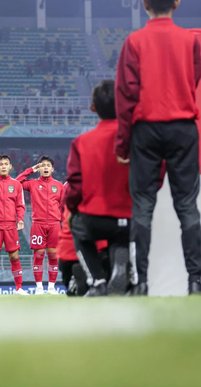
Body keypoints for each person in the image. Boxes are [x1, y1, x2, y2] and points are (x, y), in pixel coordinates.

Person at [115, 0, 201, 296]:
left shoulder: (134, 42)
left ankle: (141, 282)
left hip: (145, 129)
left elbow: (126, 96)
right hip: (183, 128)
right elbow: (194, 78)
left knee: (142, 206)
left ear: (145, 4)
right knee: (188, 207)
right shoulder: (192, 41)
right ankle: (196, 281)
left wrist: (123, 143)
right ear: (177, 3)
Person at [65, 80, 132, 296]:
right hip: (127, 217)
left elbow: (75, 184)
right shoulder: (133, 140)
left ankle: (97, 280)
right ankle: (119, 269)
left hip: (94, 218)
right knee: (119, 238)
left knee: (79, 229)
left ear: (93, 108)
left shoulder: (82, 142)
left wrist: (72, 209)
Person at [16, 155, 64, 295]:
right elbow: (16, 182)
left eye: (48, 166)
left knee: (53, 256)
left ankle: (51, 287)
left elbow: (63, 206)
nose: (45, 168)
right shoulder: (32, 184)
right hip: (38, 224)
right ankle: (39, 287)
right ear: (39, 168)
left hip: (55, 224)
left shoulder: (59, 186)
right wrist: (31, 169)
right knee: (38, 256)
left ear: (52, 169)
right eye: (42, 166)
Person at [0, 155, 28, 295]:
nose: (3, 166)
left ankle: (19, 288)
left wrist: (20, 219)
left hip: (10, 225)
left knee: (14, 257)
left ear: (10, 166)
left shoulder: (16, 185)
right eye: (0, 164)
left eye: (6, 164)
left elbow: (20, 205)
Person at [57, 194, 109, 297]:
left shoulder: (69, 191)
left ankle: (72, 284)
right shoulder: (102, 193)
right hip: (94, 251)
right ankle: (101, 281)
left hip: (66, 251)